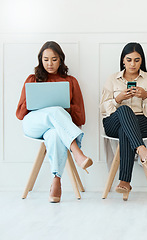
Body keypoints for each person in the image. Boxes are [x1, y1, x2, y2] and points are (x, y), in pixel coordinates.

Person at [16, 41, 92, 203]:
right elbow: (20, 114)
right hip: (33, 124)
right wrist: (36, 102)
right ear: (41, 60)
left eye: (54, 59)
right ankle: (77, 152)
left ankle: (56, 180)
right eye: (46, 59)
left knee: (55, 134)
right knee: (55, 111)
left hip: (57, 128)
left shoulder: (70, 81)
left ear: (61, 60)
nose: (50, 63)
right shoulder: (32, 79)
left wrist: (66, 108)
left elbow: (80, 118)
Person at [100, 42, 147, 201]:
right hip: (114, 120)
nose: (132, 64)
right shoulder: (112, 79)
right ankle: (142, 150)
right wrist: (118, 99)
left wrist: (145, 97)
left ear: (142, 61)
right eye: (129, 60)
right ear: (123, 60)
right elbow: (103, 109)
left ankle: (125, 181)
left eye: (136, 60)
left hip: (143, 122)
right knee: (124, 111)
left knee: (125, 131)